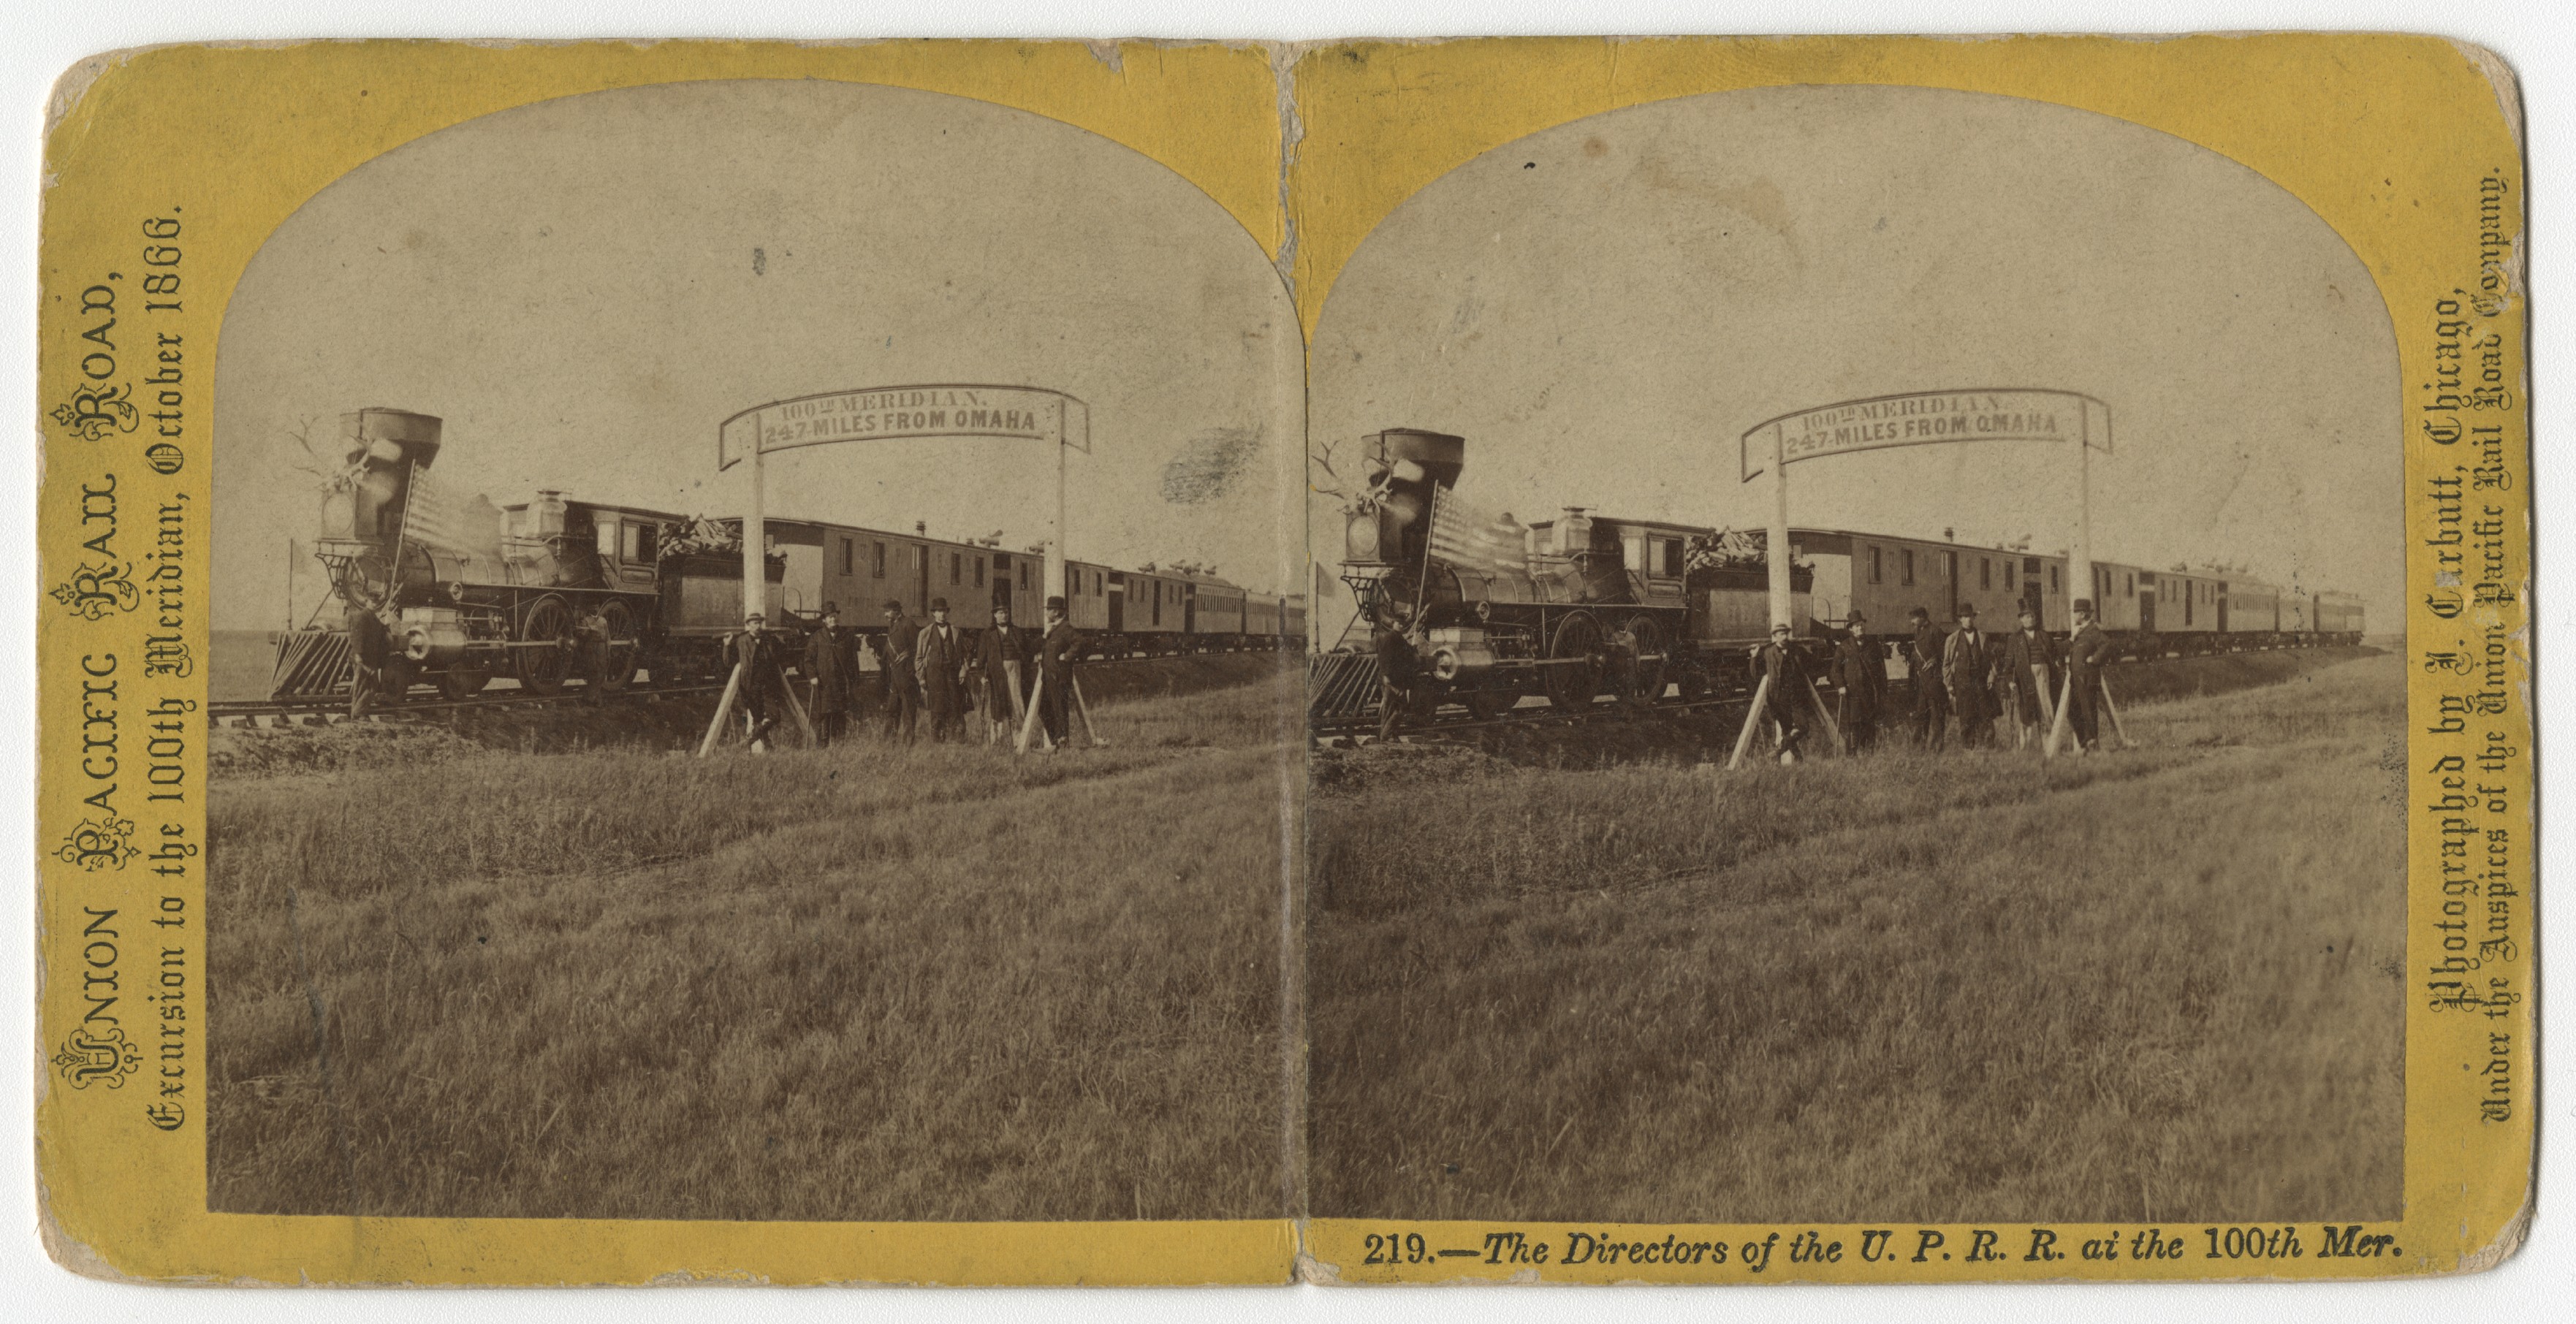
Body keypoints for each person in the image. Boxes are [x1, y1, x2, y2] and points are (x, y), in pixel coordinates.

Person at [1999, 604, 2060, 748]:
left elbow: (2055, 655)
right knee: (2026, 714)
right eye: (2027, 616)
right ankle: (2024, 748)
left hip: (2043, 678)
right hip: (2025, 678)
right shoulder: (2015, 639)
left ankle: (2049, 747)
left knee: (2045, 711)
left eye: (2033, 616)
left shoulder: (2045, 636)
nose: (2031, 619)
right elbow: (2008, 666)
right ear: (2021, 619)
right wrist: (2010, 682)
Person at [1942, 602, 2000, 749]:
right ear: (1960, 619)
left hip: (1980, 682)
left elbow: (1993, 660)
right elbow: (1947, 664)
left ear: (1974, 618)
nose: (1968, 620)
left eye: (1970, 617)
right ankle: (1968, 748)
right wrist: (1949, 684)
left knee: (1985, 716)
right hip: (1962, 684)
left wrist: (1991, 677)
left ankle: (1987, 747)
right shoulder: (1952, 639)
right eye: (1965, 617)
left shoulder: (1982, 637)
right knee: (1966, 718)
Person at [1829, 610, 1886, 753]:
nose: (1860, 628)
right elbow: (1835, 670)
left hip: (1870, 692)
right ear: (1850, 629)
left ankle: (1869, 753)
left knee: (1869, 723)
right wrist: (1841, 686)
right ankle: (1852, 755)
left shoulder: (1873, 645)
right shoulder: (1844, 646)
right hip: (1852, 693)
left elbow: (1882, 669)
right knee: (1854, 724)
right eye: (1856, 626)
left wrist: (1883, 689)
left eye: (1861, 625)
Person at [915, 598, 970, 743]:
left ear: (947, 612)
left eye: (944, 611)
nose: (942, 614)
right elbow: (919, 658)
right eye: (938, 611)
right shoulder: (925, 633)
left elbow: (964, 655)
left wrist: (963, 670)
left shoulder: (956, 632)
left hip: (952, 674)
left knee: (954, 705)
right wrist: (921, 677)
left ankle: (957, 740)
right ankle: (937, 740)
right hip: (934, 675)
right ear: (933, 613)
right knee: (937, 707)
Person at [976, 601, 1032, 744]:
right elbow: (981, 659)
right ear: (995, 615)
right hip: (996, 673)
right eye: (1000, 613)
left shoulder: (1018, 632)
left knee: (1017, 704)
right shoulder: (987, 634)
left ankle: (1019, 741)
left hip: (1015, 671)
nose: (1004, 615)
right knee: (997, 706)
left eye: (1006, 612)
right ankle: (996, 741)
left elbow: (1027, 652)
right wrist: (982, 676)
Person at [1755, 621, 1809, 763]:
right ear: (1775, 636)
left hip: (1796, 696)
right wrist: (1753, 658)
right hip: (1778, 698)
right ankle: (1799, 760)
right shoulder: (1768, 652)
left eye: (1786, 633)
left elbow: (1811, 664)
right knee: (1787, 731)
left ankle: (1777, 751)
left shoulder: (1796, 650)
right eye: (1781, 634)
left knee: (1803, 726)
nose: (1785, 636)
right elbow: (1756, 673)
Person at [2064, 597, 2113, 753]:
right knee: (2072, 711)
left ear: (2083, 614)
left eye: (2076, 613)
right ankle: (2086, 742)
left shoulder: (2093, 630)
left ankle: (2092, 744)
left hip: (2087, 679)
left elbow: (2106, 644)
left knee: (2088, 711)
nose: (2074, 616)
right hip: (2077, 680)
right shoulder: (2082, 631)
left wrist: (2094, 659)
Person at [731, 612, 784, 752]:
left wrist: (779, 641)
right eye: (755, 623)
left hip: (767, 685)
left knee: (774, 716)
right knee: (758, 718)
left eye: (760, 623)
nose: (758, 626)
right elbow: (728, 661)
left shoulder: (768, 639)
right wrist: (725, 646)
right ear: (748, 625)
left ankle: (748, 740)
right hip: (750, 687)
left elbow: (778, 656)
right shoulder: (742, 641)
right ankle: (768, 748)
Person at [1036, 595, 1084, 748]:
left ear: (1056, 612)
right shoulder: (1054, 629)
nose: (1046, 613)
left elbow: (1079, 641)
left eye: (1048, 610)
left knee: (1059, 709)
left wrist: (1067, 656)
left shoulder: (1065, 628)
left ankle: (1062, 742)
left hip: (1059, 676)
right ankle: (1056, 739)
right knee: (1044, 708)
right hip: (1049, 675)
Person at [803, 604, 855, 746]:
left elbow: (853, 660)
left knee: (840, 714)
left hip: (840, 684)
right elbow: (808, 660)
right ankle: (823, 747)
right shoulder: (817, 637)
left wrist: (854, 680)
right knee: (824, 715)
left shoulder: (846, 636)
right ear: (824, 620)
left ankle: (839, 746)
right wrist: (812, 676)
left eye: (834, 616)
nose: (833, 619)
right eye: (830, 617)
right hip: (823, 684)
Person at [1371, 601, 1421, 741]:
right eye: (1399, 623)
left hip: (1399, 680)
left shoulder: (1400, 639)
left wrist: (1413, 647)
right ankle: (1385, 736)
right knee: (1392, 709)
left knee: (1397, 708)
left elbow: (1406, 653)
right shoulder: (1390, 638)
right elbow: (1384, 659)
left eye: (1403, 624)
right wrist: (1386, 676)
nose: (1401, 625)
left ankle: (1390, 735)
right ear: (1393, 624)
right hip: (1390, 681)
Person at [875, 600, 921, 745]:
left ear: (896, 610)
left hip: (906, 677)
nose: (885, 615)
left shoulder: (909, 624)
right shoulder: (894, 624)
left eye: (887, 612)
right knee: (892, 709)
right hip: (895, 677)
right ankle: (889, 742)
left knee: (908, 712)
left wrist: (909, 665)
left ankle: (908, 744)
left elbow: (917, 651)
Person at [1907, 605, 1949, 750]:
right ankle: (1919, 748)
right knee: (1920, 716)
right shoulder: (1918, 631)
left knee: (1936, 717)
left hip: (1934, 681)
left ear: (1923, 618)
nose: (1912, 621)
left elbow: (1945, 655)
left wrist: (1935, 660)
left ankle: (1937, 749)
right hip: (1922, 683)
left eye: (1914, 618)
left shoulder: (1935, 631)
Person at [346, 598, 392, 717]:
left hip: (371, 660)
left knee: (372, 685)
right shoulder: (362, 616)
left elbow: (381, 631)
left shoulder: (374, 618)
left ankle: (358, 712)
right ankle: (356, 713)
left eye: (376, 602)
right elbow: (357, 637)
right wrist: (358, 655)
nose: (375, 604)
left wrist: (386, 627)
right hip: (362, 659)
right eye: (373, 601)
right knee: (361, 686)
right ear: (366, 602)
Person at [577, 602, 614, 705]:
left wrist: (608, 649)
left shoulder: (603, 621)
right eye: (593, 607)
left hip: (602, 647)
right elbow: (582, 635)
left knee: (601, 673)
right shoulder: (586, 620)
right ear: (590, 609)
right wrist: (586, 630)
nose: (596, 609)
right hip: (591, 647)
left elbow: (608, 636)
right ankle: (595, 700)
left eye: (597, 607)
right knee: (593, 672)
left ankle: (591, 699)